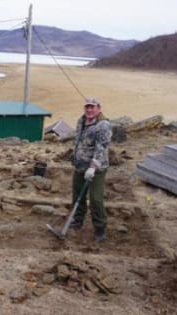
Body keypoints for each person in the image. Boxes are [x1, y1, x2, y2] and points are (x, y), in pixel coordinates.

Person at [70, 97, 112, 242]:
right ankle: (77, 220)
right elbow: (78, 141)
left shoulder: (103, 125)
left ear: (98, 108)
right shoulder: (81, 121)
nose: (89, 110)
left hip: (96, 169)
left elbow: (102, 147)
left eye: (92, 107)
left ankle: (100, 229)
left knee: (95, 199)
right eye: (87, 107)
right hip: (80, 166)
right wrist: (74, 157)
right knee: (77, 196)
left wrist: (93, 167)